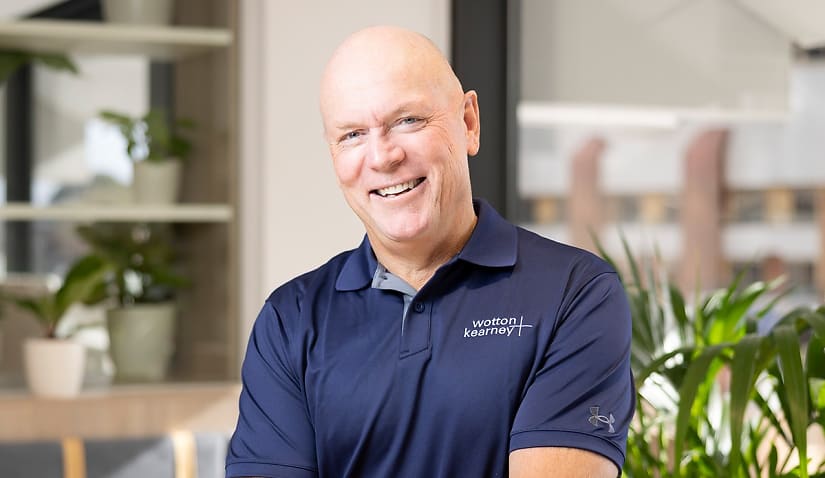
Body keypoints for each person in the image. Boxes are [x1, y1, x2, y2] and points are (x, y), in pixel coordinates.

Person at [226, 25, 634, 478]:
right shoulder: (290, 321)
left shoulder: (574, 294)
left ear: (469, 123)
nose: (382, 156)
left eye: (407, 121)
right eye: (353, 135)